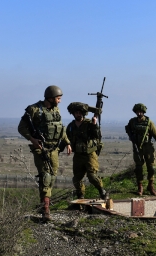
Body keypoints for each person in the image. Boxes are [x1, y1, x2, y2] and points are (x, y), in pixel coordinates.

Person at [18, 85, 72, 221]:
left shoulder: (56, 110)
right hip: (41, 148)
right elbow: (21, 128)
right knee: (46, 177)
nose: (60, 101)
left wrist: (68, 142)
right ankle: (45, 210)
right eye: (58, 98)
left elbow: (61, 127)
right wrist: (32, 139)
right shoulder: (34, 110)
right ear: (50, 98)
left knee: (53, 176)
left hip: (54, 149)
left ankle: (44, 201)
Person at [66, 102, 107, 200]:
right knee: (76, 179)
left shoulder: (89, 124)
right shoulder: (71, 126)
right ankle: (80, 196)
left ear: (83, 114)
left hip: (90, 155)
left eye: (80, 113)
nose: (78, 114)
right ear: (73, 114)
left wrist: (94, 124)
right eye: (76, 113)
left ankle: (102, 191)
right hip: (78, 156)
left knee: (92, 176)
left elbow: (97, 136)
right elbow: (66, 138)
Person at [125, 103, 156, 196]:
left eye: (140, 111)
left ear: (143, 112)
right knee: (138, 168)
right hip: (137, 147)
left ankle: (150, 185)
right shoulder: (132, 122)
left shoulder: (149, 122)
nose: (139, 113)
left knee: (151, 168)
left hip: (148, 147)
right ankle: (140, 186)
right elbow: (127, 129)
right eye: (137, 111)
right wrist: (131, 137)